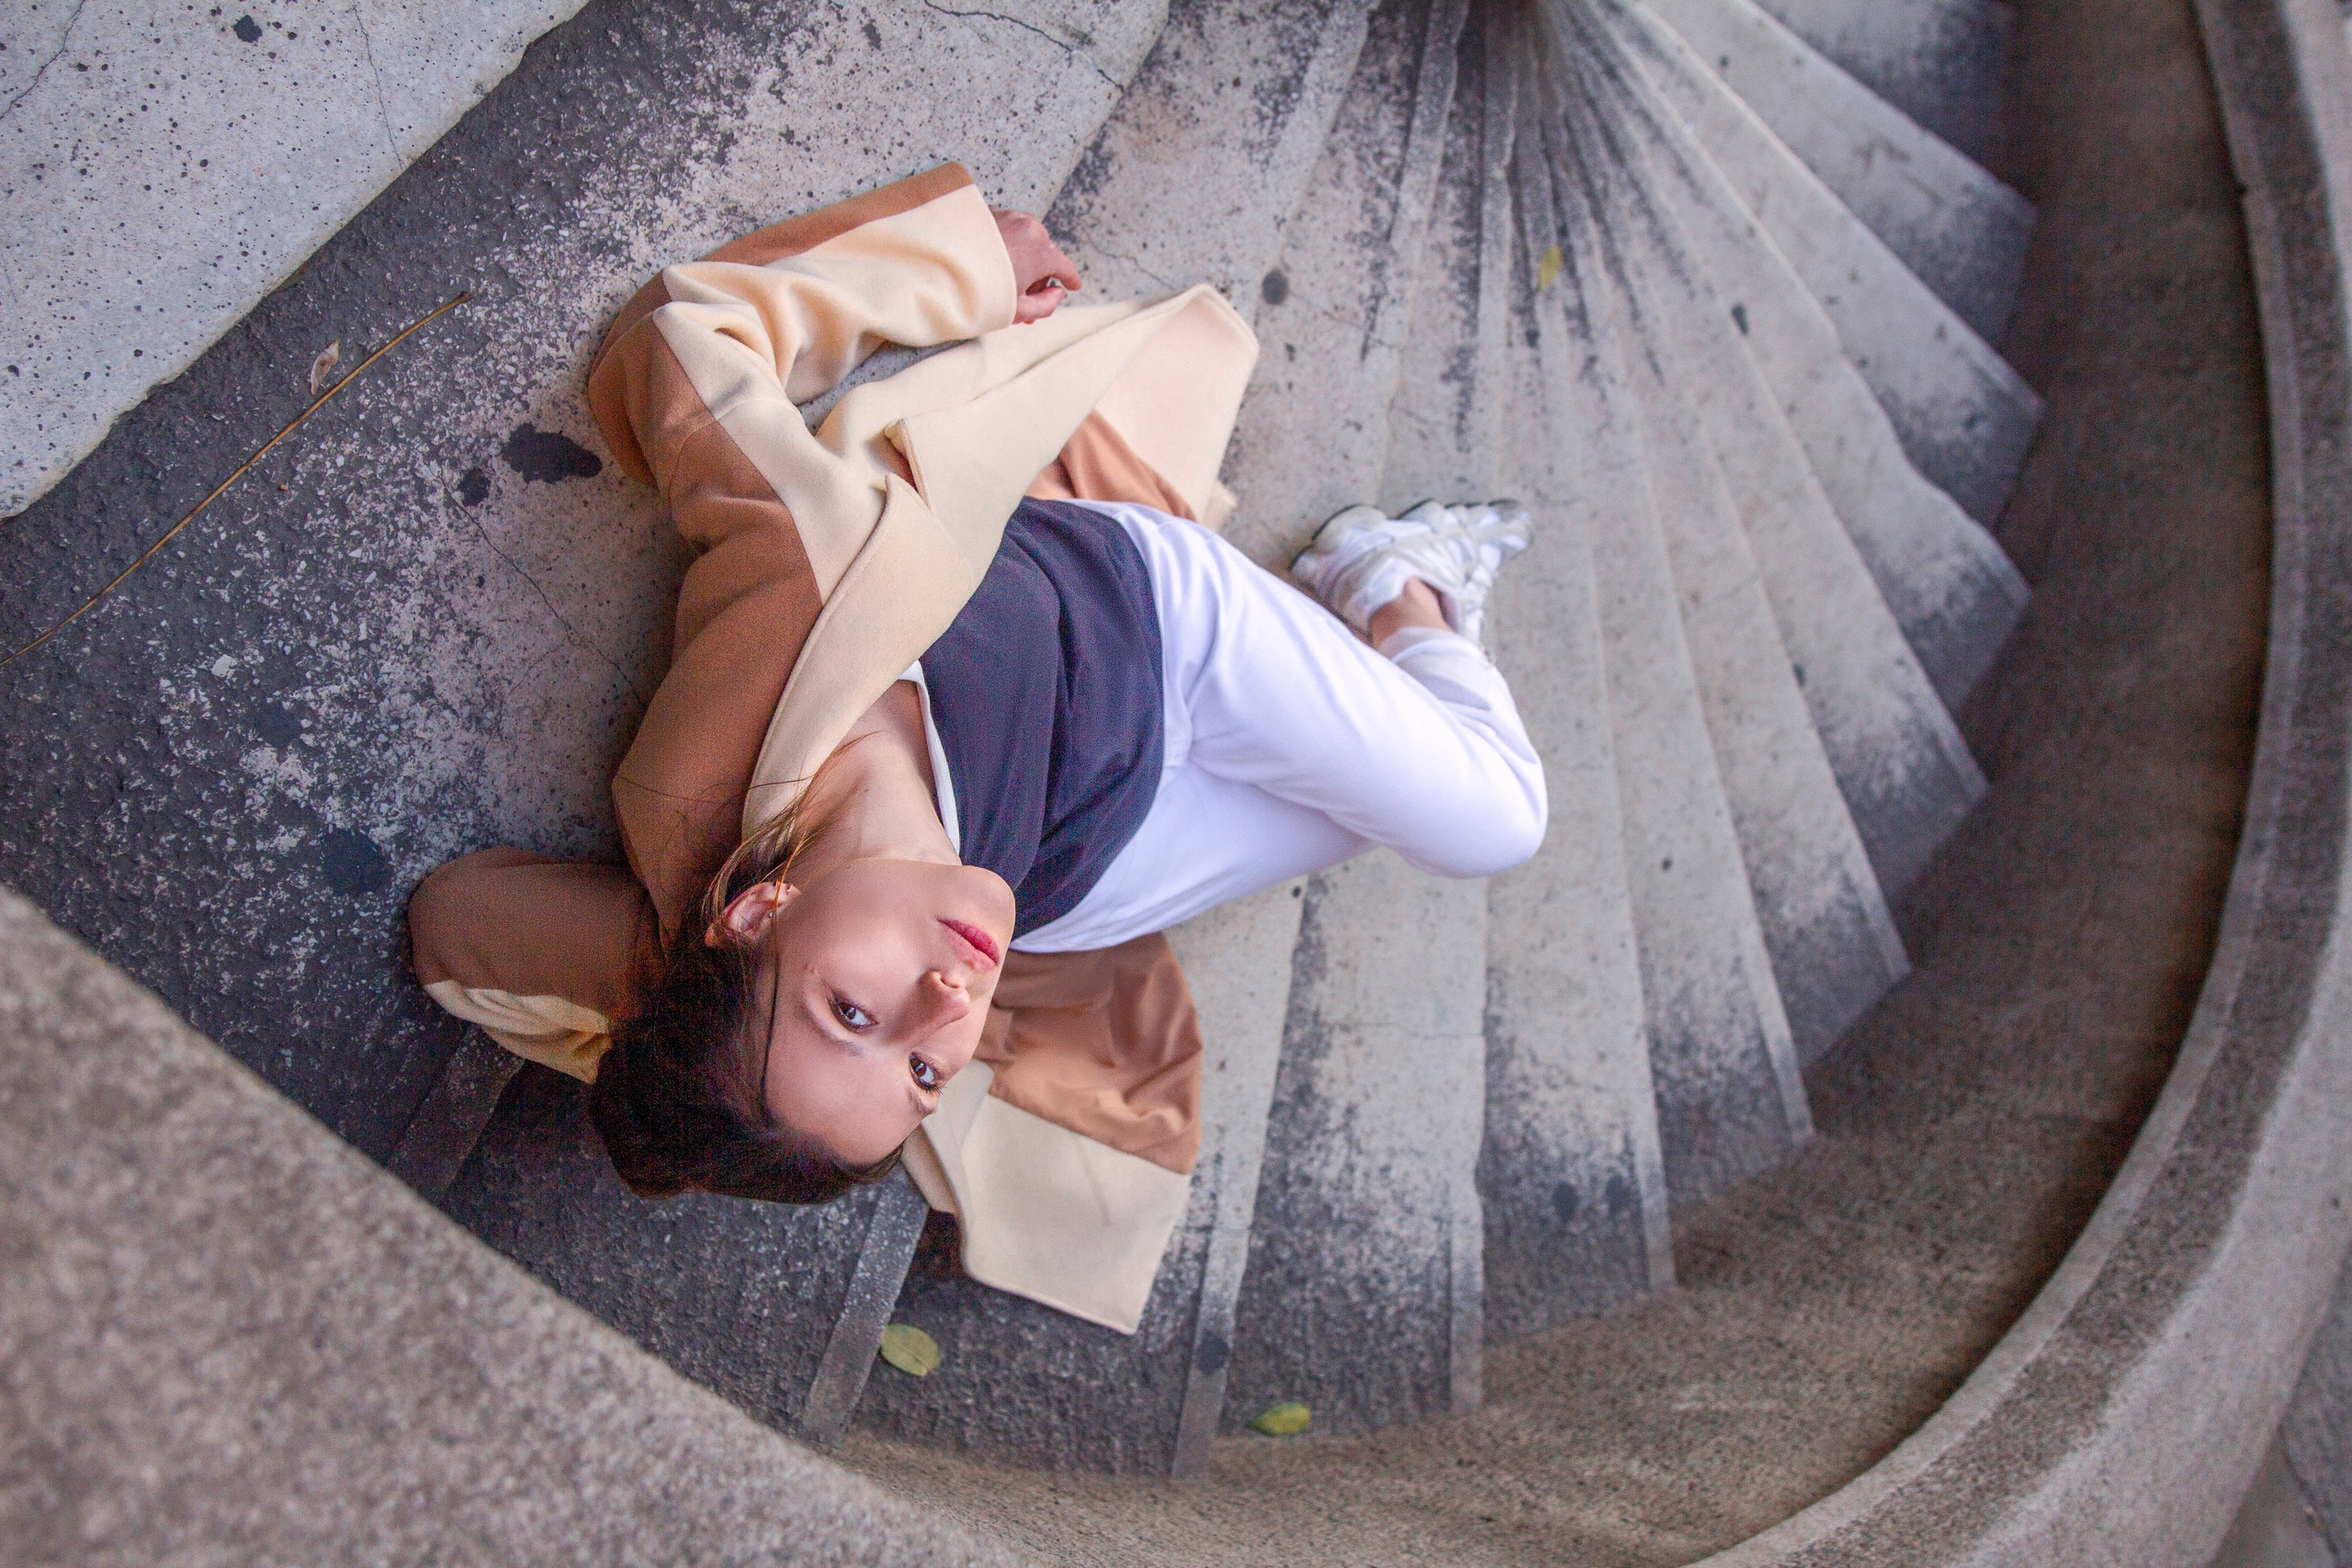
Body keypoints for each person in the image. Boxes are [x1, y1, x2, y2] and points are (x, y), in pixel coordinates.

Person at [408, 164, 1545, 1332]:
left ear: (752, 915)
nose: (949, 1000)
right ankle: (1386, 635)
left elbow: (681, 350)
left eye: (853, 1014)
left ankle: (1393, 585)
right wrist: (746, 1037)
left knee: (1497, 819)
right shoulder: (954, 934)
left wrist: (948, 269)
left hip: (1162, 631)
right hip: (1091, 867)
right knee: (1381, 806)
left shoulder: (808, 583)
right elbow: (780, 986)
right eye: (922, 1075)